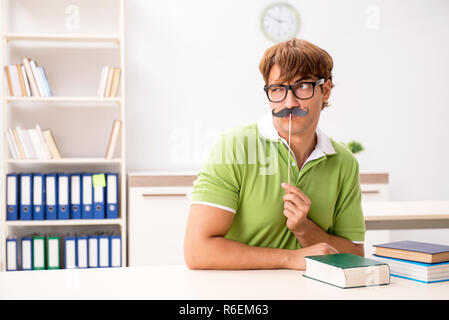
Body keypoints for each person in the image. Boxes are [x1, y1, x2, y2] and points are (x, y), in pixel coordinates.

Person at [184, 38, 365, 270]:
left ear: (326, 90)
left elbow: (355, 256)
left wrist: (305, 229)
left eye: (302, 86)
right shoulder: (234, 146)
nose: (289, 102)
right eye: (278, 89)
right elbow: (197, 251)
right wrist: (289, 259)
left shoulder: (343, 161)